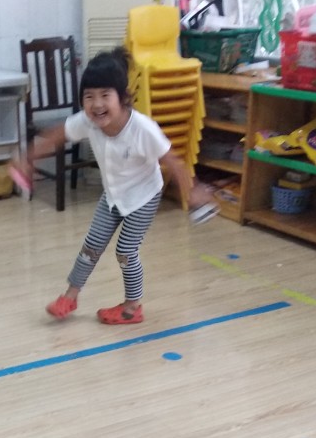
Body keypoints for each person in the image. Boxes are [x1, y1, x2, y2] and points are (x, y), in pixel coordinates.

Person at [17, 47, 215, 324]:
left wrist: (191, 191)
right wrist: (28, 158)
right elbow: (58, 135)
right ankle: (70, 297)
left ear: (123, 98)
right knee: (91, 246)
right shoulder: (88, 122)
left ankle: (133, 307)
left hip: (143, 196)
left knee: (125, 251)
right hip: (113, 195)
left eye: (105, 95)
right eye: (89, 96)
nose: (97, 104)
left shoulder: (142, 129)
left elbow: (173, 161)